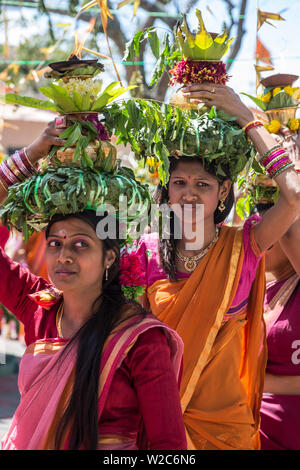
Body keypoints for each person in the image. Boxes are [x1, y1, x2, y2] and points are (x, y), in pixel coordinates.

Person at [122, 83, 300, 450]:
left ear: (223, 191)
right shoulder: (144, 254)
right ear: (166, 190)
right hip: (158, 428)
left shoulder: (245, 245)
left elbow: (294, 195)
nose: (188, 193)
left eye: (202, 184)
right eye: (179, 183)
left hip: (226, 430)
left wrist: (248, 120)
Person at [0, 124, 187, 451]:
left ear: (109, 257)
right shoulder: (38, 309)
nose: (65, 256)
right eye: (55, 244)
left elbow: (168, 448)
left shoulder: (141, 340)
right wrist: (31, 156)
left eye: (81, 244)